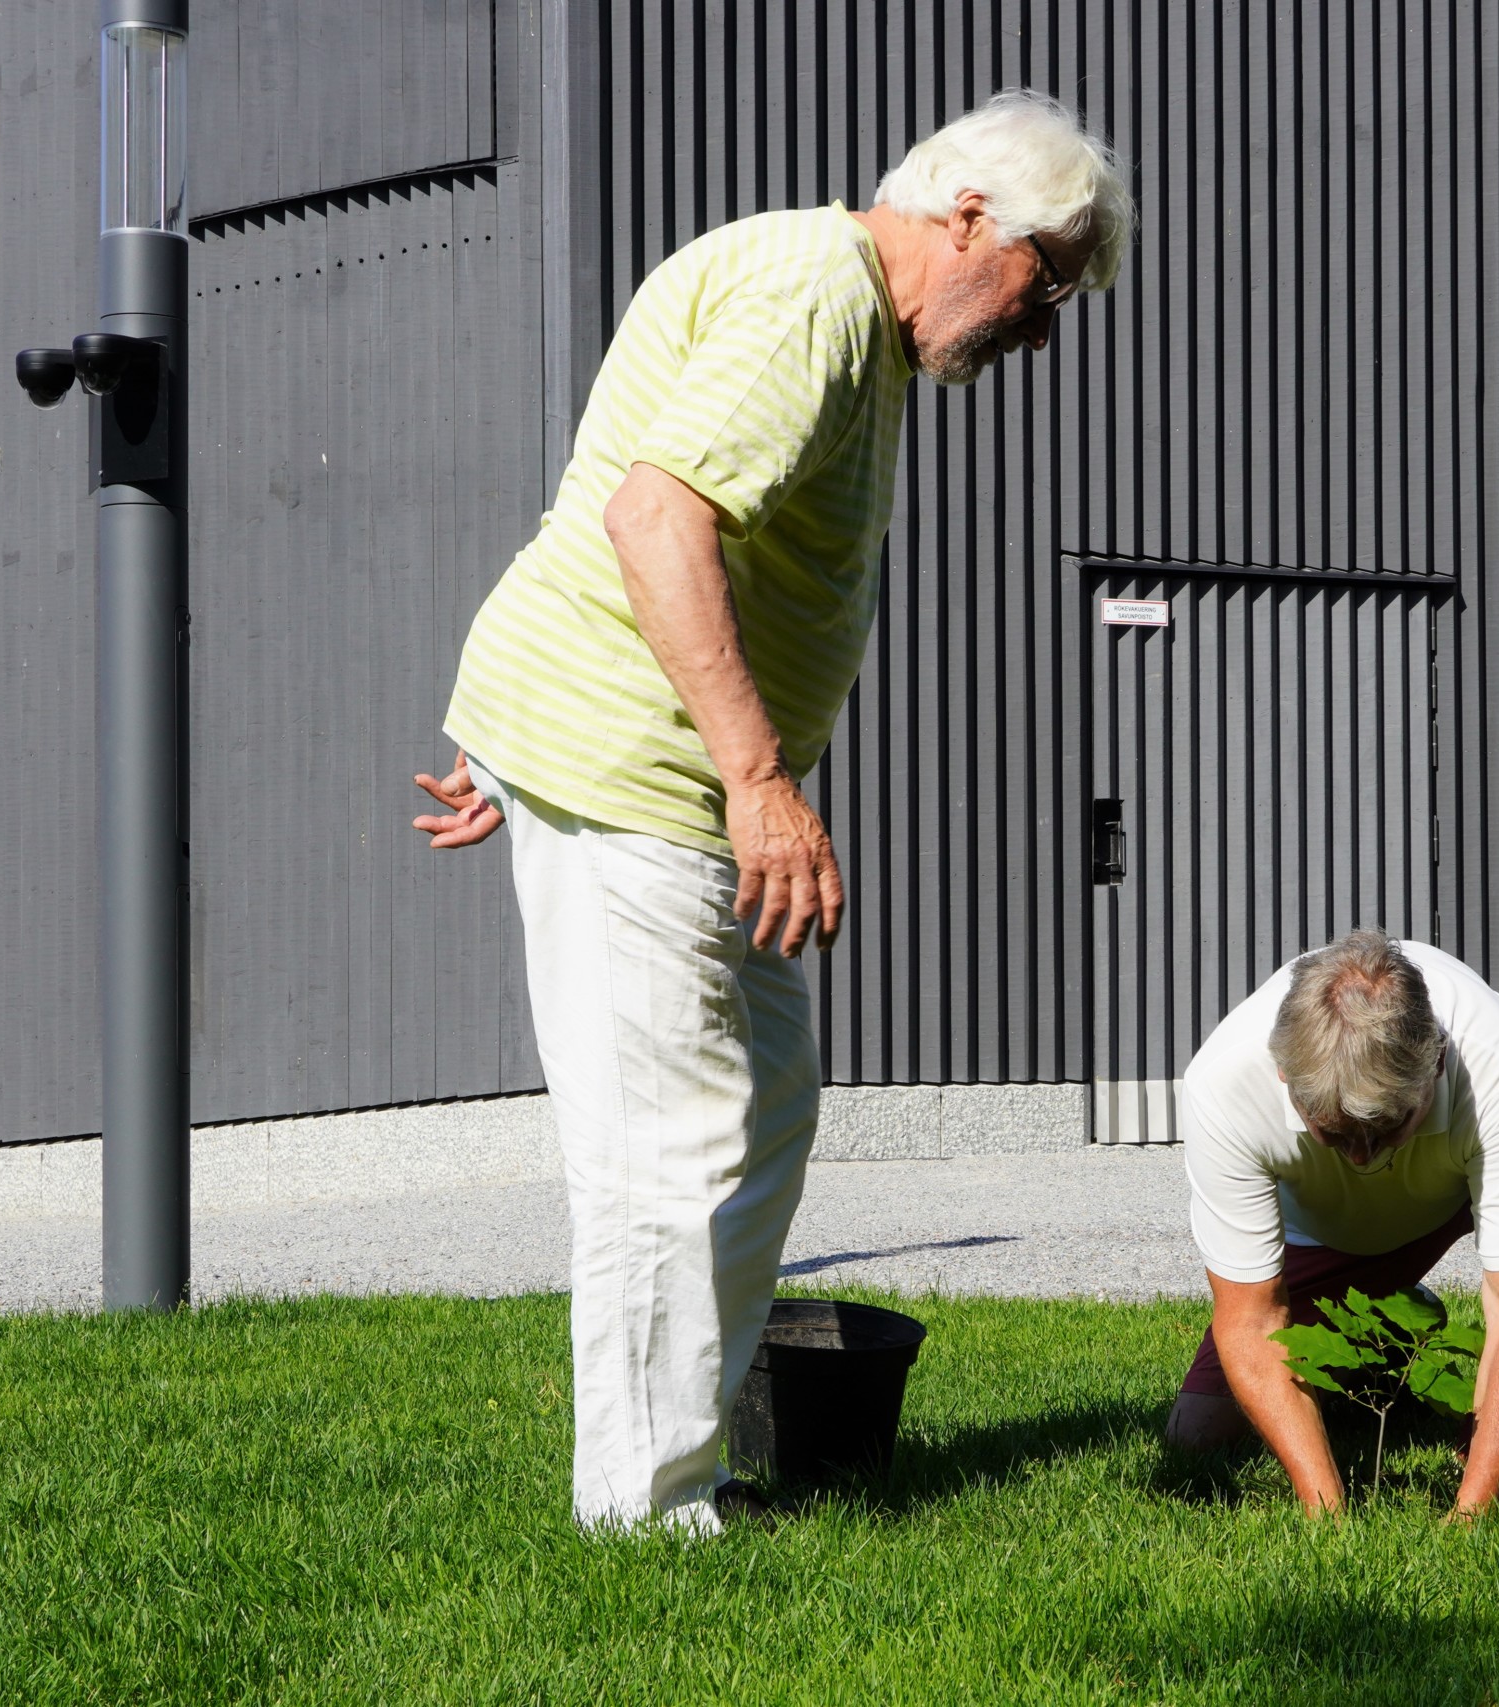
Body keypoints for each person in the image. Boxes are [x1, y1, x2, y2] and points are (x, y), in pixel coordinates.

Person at [410, 92, 1134, 1533]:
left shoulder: (847, 317)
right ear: (972, 218)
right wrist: (758, 781)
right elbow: (653, 516)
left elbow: (620, 491)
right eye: (1046, 285)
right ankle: (648, 1511)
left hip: (633, 766)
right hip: (656, 782)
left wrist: (512, 750)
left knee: (760, 1112)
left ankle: (687, 1461)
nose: (1041, 331)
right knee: (664, 1150)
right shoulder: (817, 294)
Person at [1166, 929, 1499, 1516]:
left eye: (1385, 1129)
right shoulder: (1222, 1084)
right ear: (1284, 1079)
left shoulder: (1494, 1056)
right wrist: (1326, 1512)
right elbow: (1250, 1320)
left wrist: (1471, 1515)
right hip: (1335, 1225)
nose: (1361, 1156)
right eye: (1335, 1133)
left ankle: (1495, 1435)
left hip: (1461, 1174)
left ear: (1437, 1066)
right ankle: (1389, 1337)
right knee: (1194, 1437)